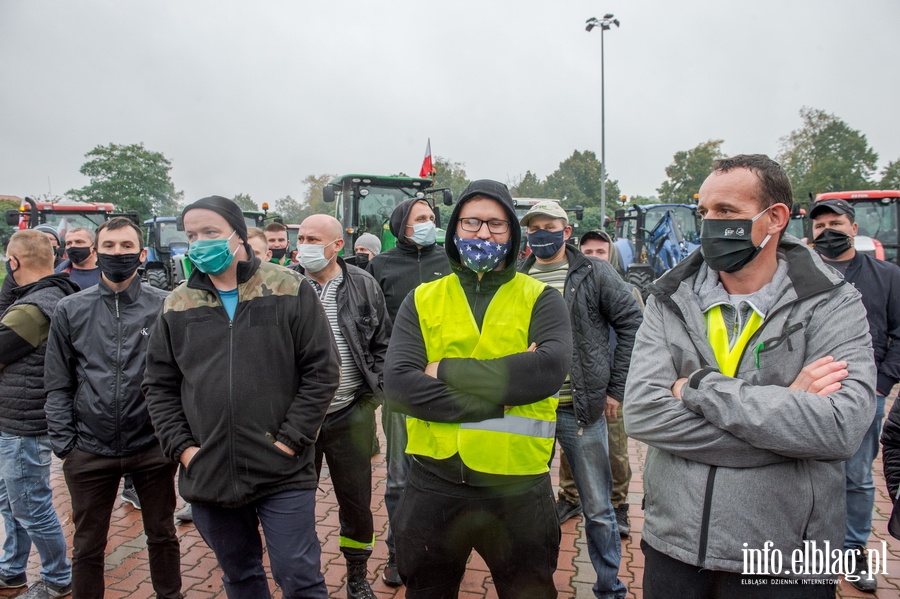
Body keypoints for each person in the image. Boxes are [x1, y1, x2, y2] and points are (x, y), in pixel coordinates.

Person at [624, 154, 876, 598]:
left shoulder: (834, 301)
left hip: (788, 553)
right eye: (704, 212)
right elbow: (644, 414)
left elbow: (840, 429)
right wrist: (786, 423)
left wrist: (699, 387)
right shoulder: (667, 298)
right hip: (676, 544)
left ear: (775, 218)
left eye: (726, 212)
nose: (709, 224)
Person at [143, 196, 340, 599]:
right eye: (192, 234)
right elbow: (158, 385)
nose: (199, 242)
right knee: (240, 576)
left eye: (210, 232)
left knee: (299, 575)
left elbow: (322, 371)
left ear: (237, 235)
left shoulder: (289, 287)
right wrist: (183, 449)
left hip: (282, 468)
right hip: (209, 470)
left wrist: (290, 439)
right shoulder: (177, 302)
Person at [384, 179, 572, 599]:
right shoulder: (423, 298)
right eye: (471, 222)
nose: (483, 234)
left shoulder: (542, 298)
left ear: (512, 234)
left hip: (518, 488)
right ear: (454, 230)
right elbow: (398, 385)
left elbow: (546, 372)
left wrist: (442, 368)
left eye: (496, 225)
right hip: (434, 483)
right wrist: (498, 401)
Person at [44, 217, 181, 599]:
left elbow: (180, 376)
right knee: (87, 546)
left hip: (152, 447)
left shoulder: (164, 305)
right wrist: (66, 445)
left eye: (125, 246)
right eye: (109, 246)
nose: (116, 253)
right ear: (96, 251)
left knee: (163, 534)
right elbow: (57, 381)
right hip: (88, 451)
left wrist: (172, 438)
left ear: (141, 254)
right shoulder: (70, 309)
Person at [519, 202, 641, 599]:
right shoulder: (517, 277)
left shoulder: (594, 271)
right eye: (534, 227)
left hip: (580, 409)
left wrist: (615, 388)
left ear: (566, 231)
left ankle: (609, 588)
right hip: (529, 408)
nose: (541, 234)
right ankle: (533, 585)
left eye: (549, 226)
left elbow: (631, 323)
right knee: (526, 506)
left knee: (599, 510)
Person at [291, 214, 391, 599]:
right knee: (296, 502)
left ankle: (356, 575)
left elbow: (381, 342)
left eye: (313, 238)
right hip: (299, 419)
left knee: (356, 503)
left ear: (336, 246)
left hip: (351, 413)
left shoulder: (363, 284)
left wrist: (373, 396)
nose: (304, 244)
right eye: (300, 237)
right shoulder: (286, 286)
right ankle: (303, 575)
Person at [809, 198, 900, 592]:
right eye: (819, 225)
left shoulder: (887, 276)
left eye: (836, 223)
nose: (827, 231)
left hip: (864, 395)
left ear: (854, 227)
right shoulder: (799, 275)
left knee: (858, 477)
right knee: (806, 472)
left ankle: (853, 550)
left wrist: (880, 383)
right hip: (809, 393)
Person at [366, 197, 451, 586]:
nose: (428, 224)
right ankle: (399, 553)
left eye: (432, 218)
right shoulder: (380, 266)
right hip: (400, 389)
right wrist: (383, 377)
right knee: (399, 477)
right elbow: (372, 329)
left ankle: (442, 550)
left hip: (446, 385)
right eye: (420, 218)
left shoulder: (451, 261)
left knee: (447, 469)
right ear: (401, 224)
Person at [0, 230, 78, 598]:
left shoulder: (34, 308)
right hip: (16, 417)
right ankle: (13, 569)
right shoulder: (40, 296)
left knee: (31, 506)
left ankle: (57, 578)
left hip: (24, 424)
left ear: (13, 262)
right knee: (12, 502)